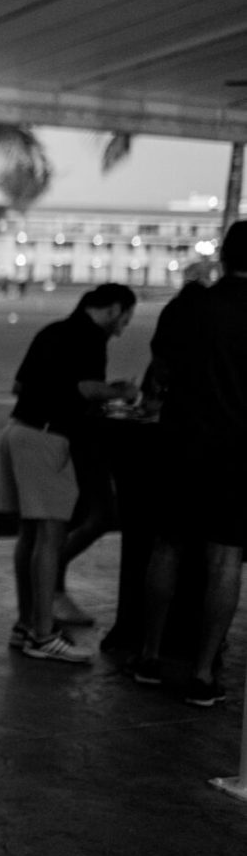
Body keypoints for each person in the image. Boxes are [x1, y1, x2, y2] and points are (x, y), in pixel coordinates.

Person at [132, 221, 247, 707]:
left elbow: (158, 373)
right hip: (238, 449)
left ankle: (150, 655)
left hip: (181, 441)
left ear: (221, 256)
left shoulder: (189, 306)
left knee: (168, 547)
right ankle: (202, 672)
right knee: (225, 558)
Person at [0, 283, 138, 663]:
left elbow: (19, 384)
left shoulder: (53, 330)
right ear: (111, 309)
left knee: (29, 535)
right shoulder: (90, 337)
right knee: (49, 535)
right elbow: (87, 387)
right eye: (124, 319)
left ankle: (27, 624)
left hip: (17, 431)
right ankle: (43, 636)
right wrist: (120, 392)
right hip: (47, 437)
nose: (122, 328)